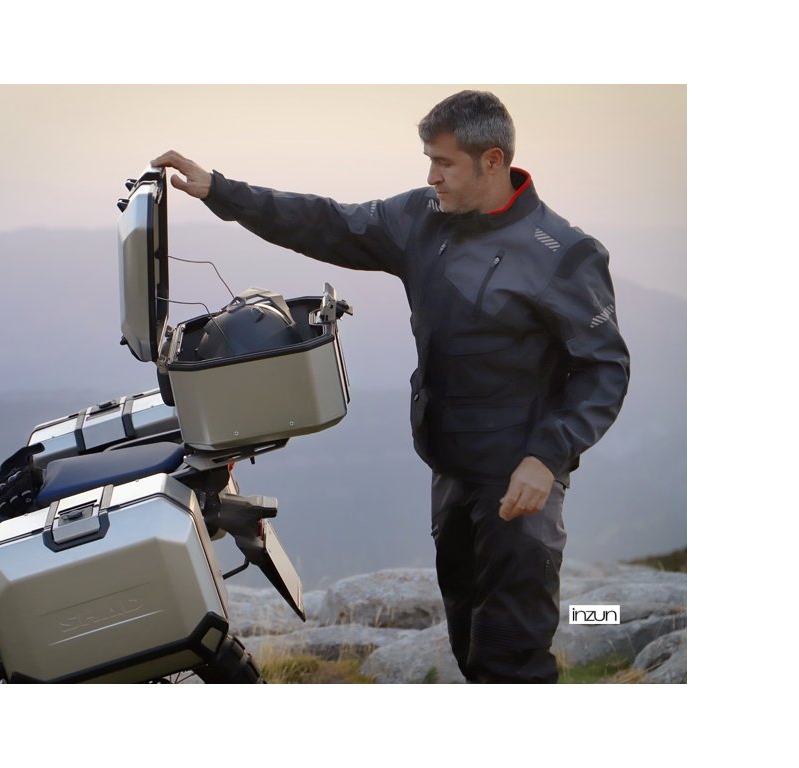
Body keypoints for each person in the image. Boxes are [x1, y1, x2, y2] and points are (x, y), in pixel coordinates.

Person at [151, 89, 630, 683]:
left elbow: (604, 369)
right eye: (428, 160)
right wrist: (221, 191)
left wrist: (546, 457)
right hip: (450, 469)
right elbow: (326, 221)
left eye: (444, 163)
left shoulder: (563, 254)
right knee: (469, 643)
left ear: (492, 161)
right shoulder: (422, 219)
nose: (431, 177)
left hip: (520, 481)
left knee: (513, 656)